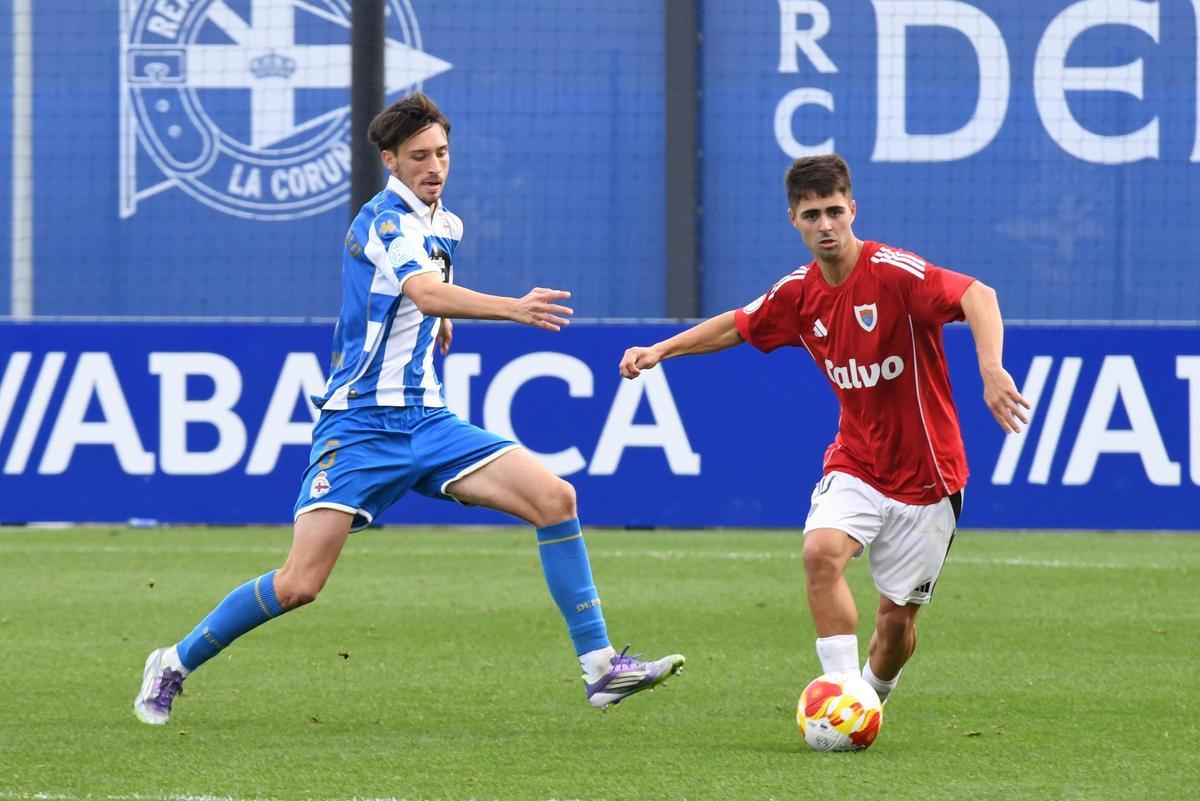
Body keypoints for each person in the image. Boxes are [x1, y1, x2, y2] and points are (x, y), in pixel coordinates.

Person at [134, 92, 683, 725]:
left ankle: (600, 668)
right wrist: (507, 307)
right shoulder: (385, 221)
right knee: (300, 584)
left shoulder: (444, 223)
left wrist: (436, 323)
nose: (434, 166)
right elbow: (421, 289)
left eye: (442, 153)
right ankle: (172, 662)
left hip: (427, 420)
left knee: (555, 499)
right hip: (361, 426)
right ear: (391, 161)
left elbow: (419, 297)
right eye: (419, 156)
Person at [618, 154, 1027, 708]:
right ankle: (840, 691)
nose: (825, 225)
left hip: (929, 478)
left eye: (835, 211)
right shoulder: (798, 293)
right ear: (794, 220)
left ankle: (871, 699)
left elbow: (979, 295)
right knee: (821, 553)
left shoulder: (895, 273)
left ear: (853, 209)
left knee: (894, 626)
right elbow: (738, 325)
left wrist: (990, 368)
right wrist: (662, 349)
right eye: (812, 215)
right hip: (856, 463)